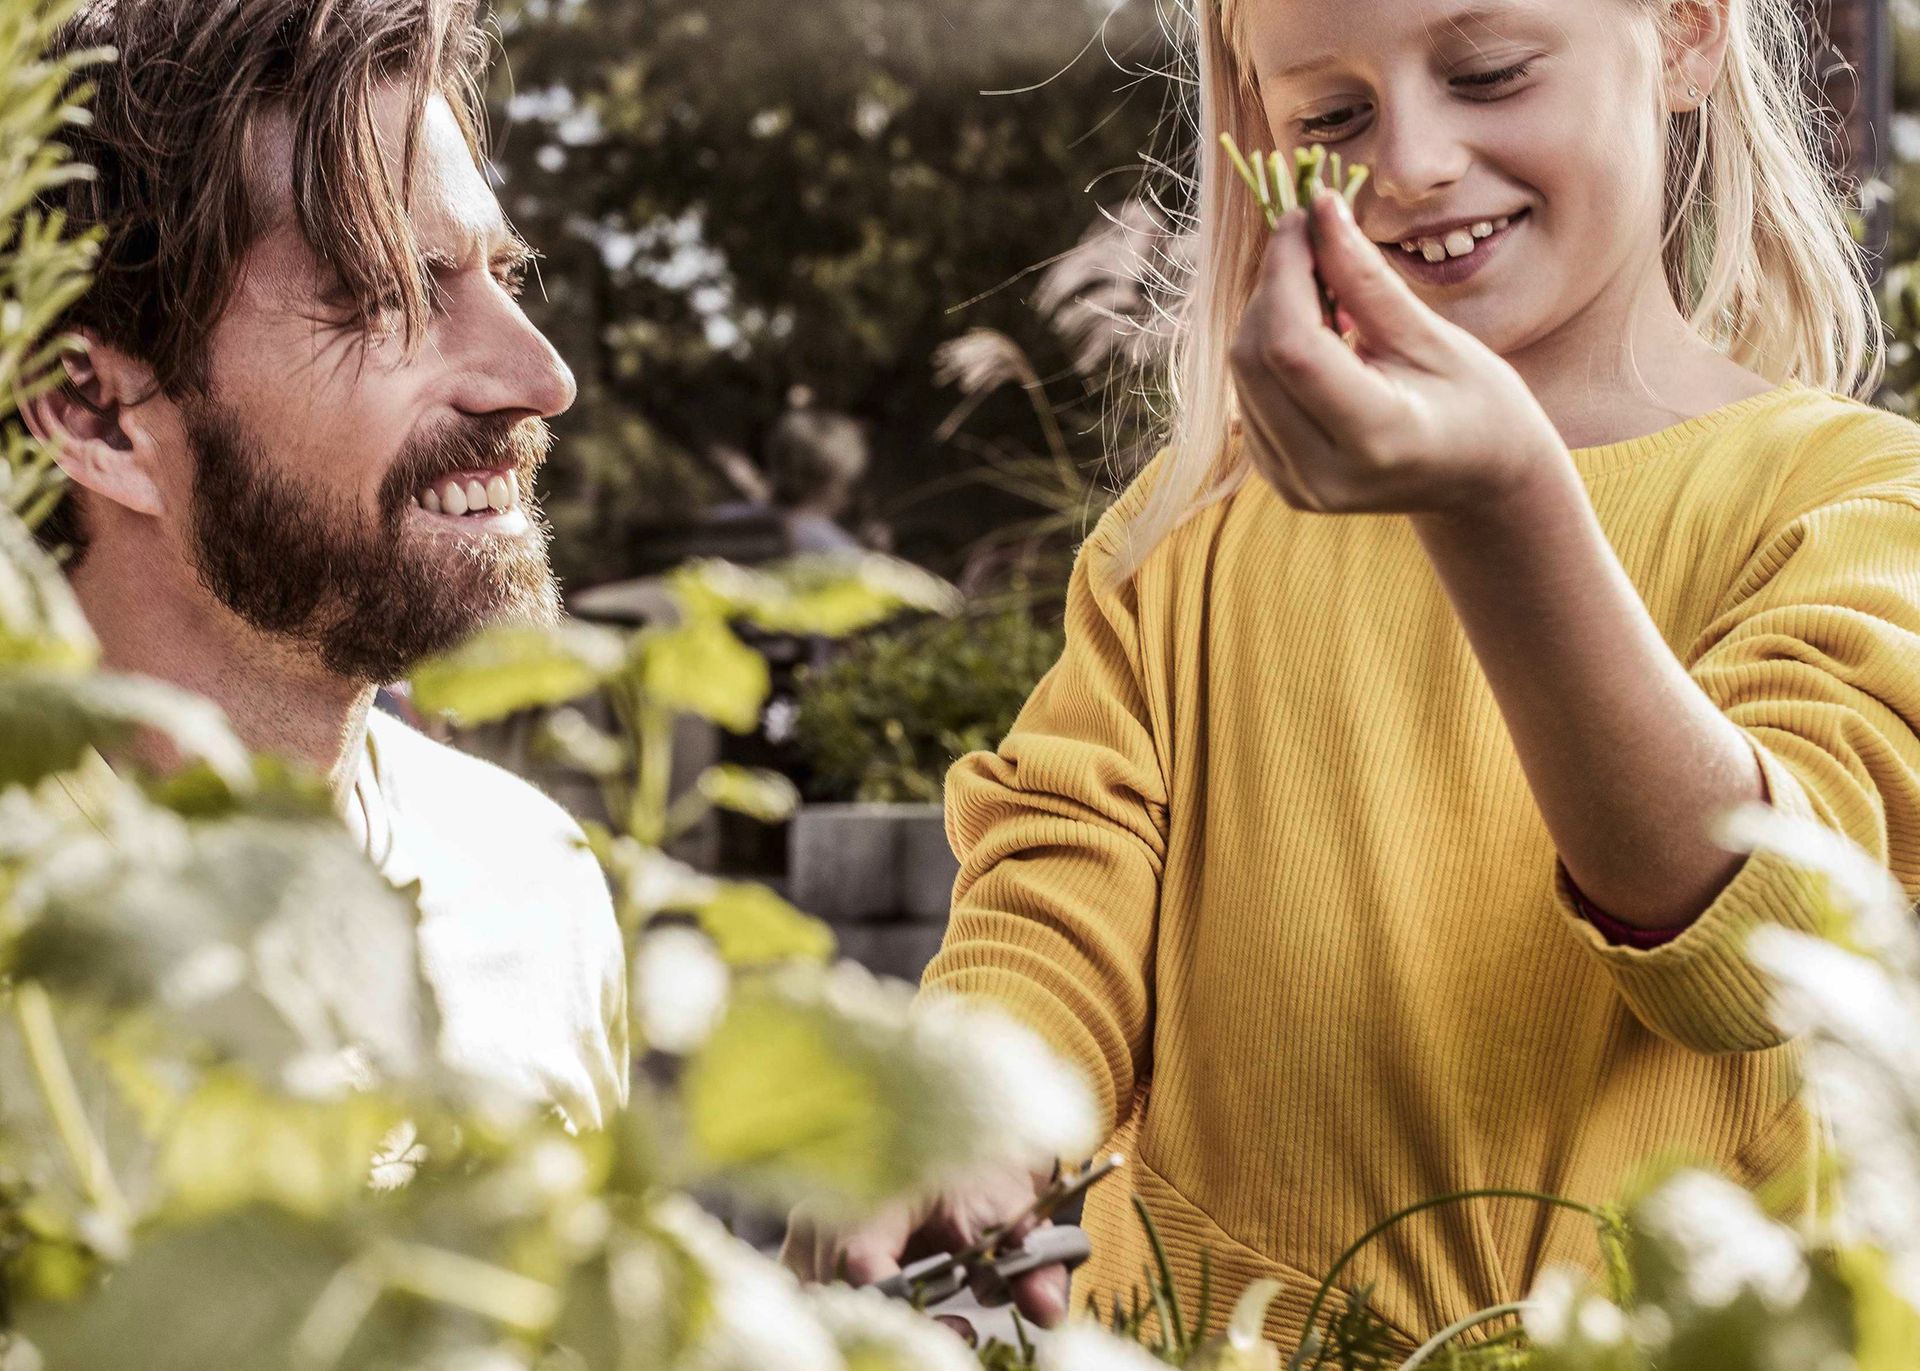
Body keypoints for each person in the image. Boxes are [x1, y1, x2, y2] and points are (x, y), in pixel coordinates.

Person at [786, 0, 1920, 1350]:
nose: (1413, 162)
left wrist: (1502, 507)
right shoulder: (1184, 536)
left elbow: (1765, 946)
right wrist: (966, 1106)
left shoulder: (1859, 504)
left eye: (1489, 73)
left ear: (1683, 33)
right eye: (1332, 116)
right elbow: (1056, 888)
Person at [22, 0, 628, 1130]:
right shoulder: (31, 946)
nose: (543, 380)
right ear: (96, 413)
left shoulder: (536, 881)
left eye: (505, 277)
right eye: (391, 295)